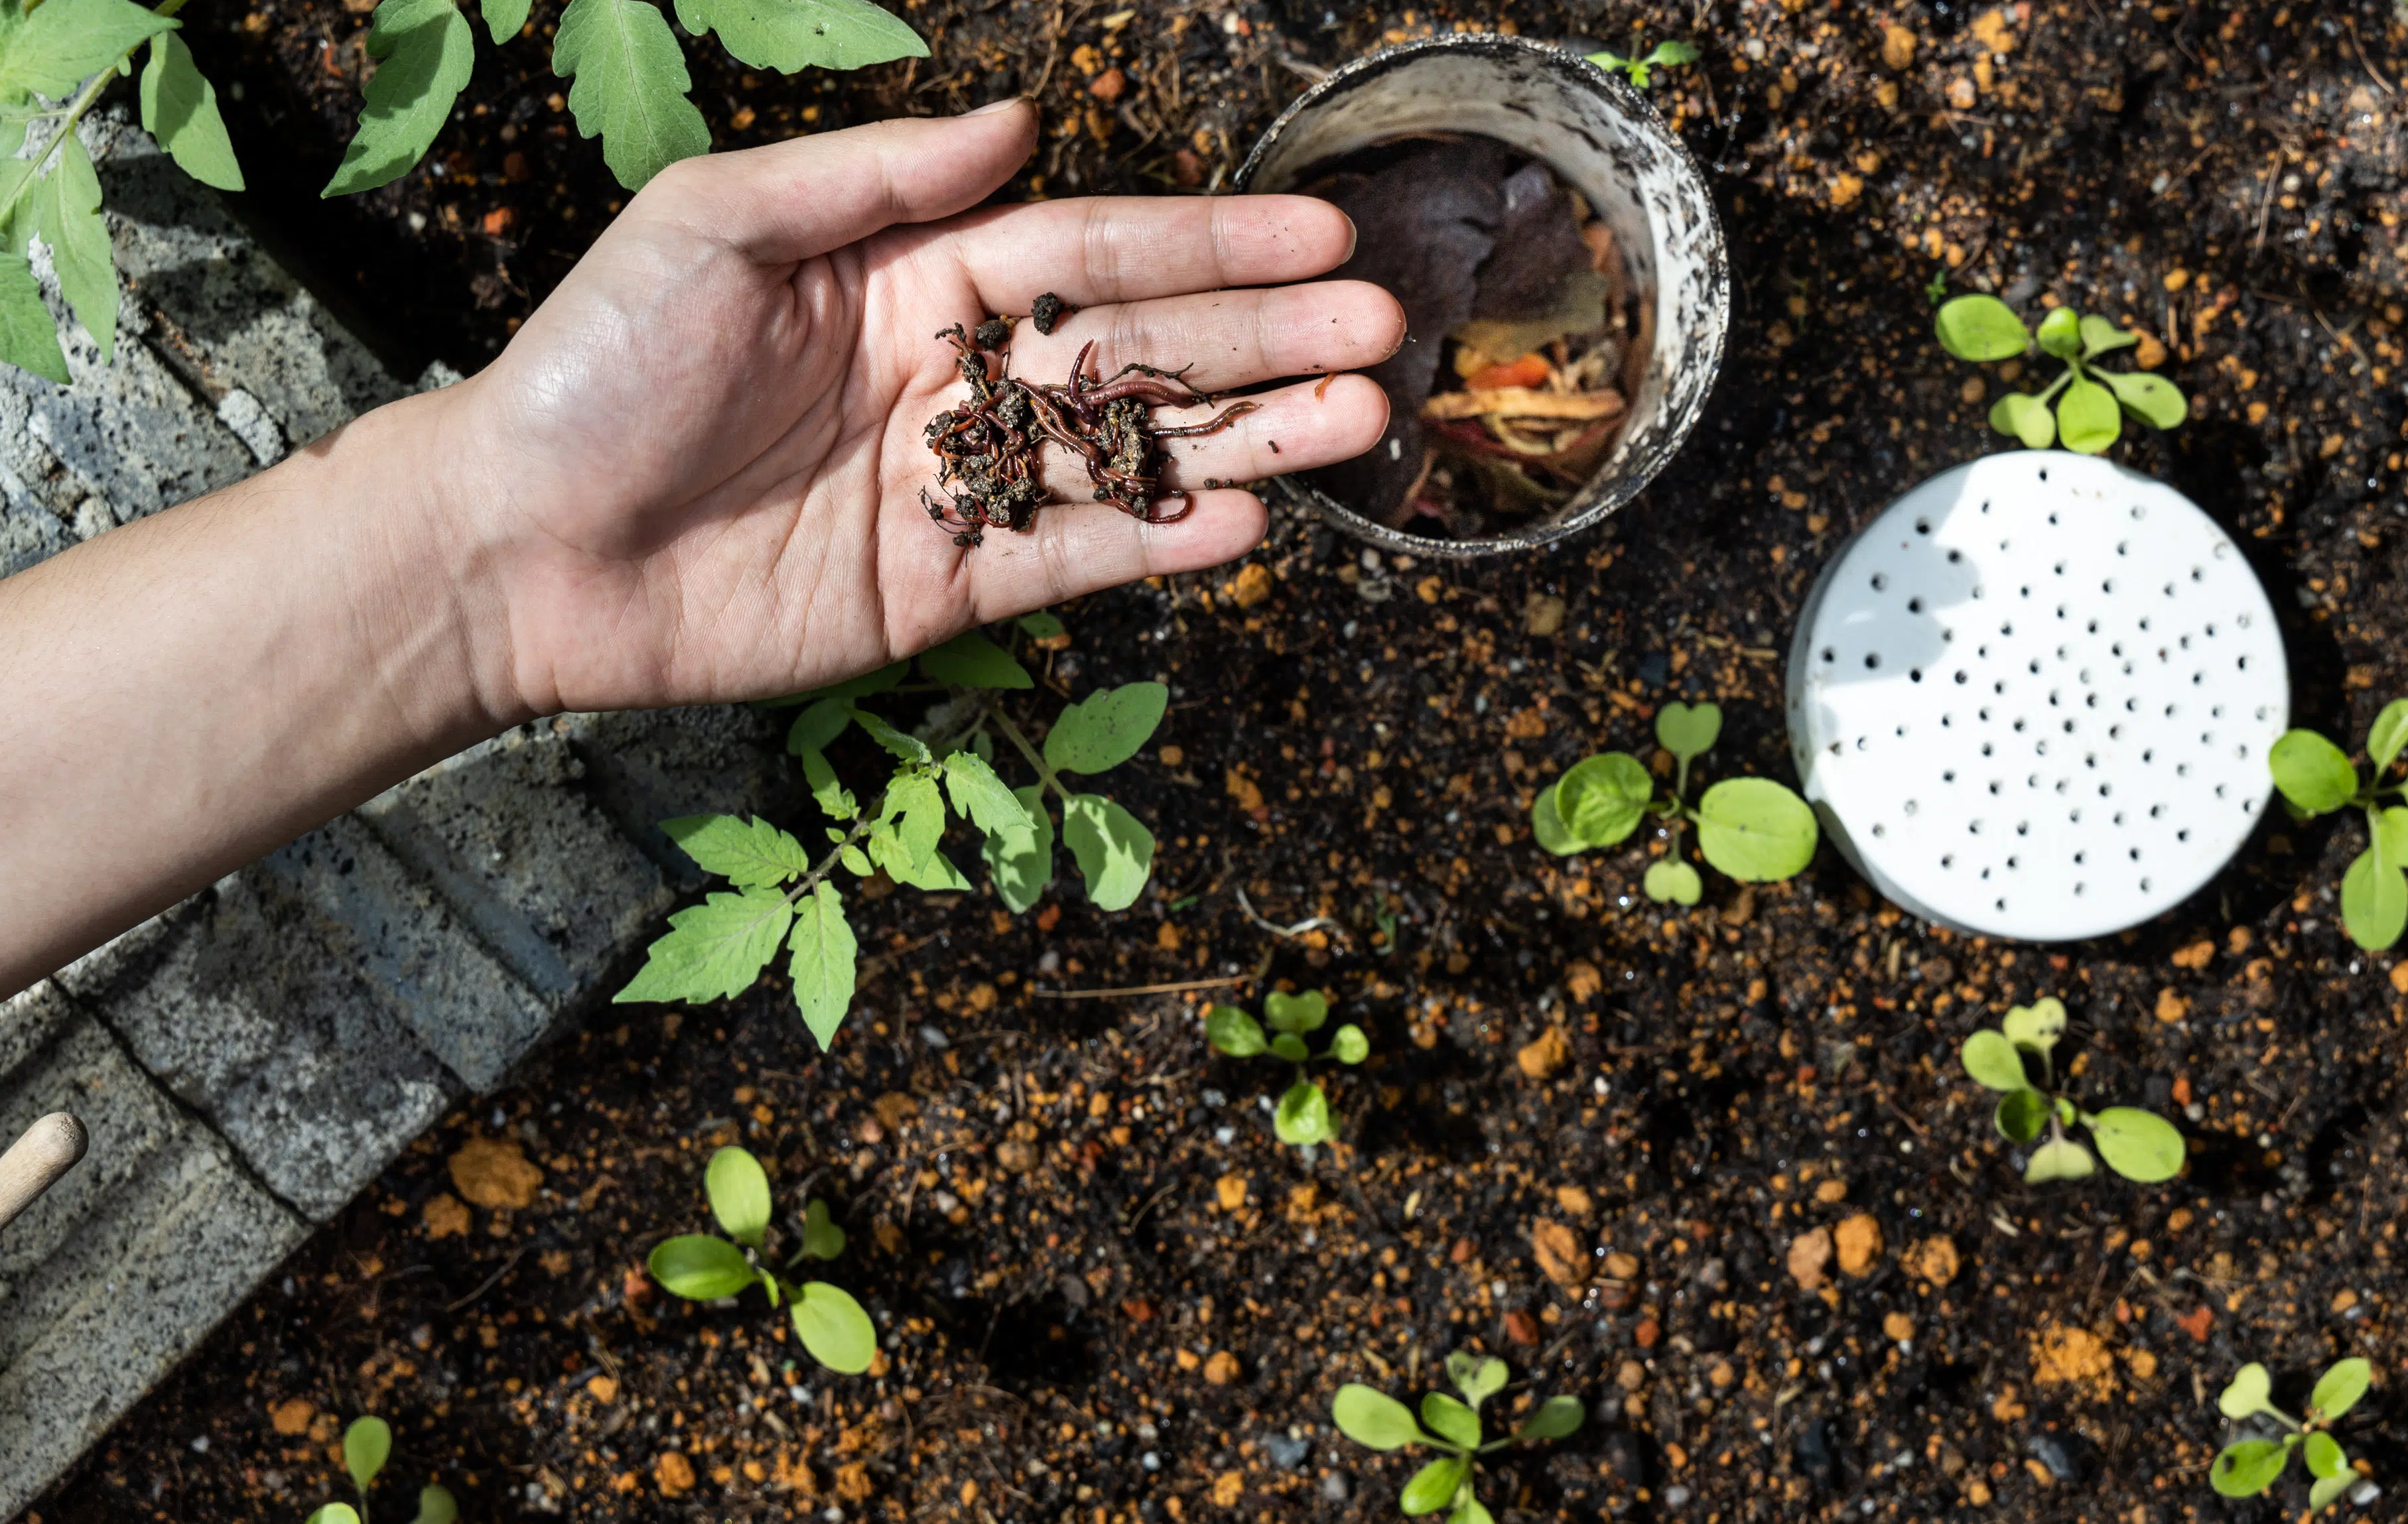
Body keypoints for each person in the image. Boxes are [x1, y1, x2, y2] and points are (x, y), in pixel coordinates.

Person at [0, 100, 1402, 994]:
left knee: (1161, 431)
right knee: (1158, 436)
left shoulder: (985, 416)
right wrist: (474, 550)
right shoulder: (979, 427)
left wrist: (476, 539)